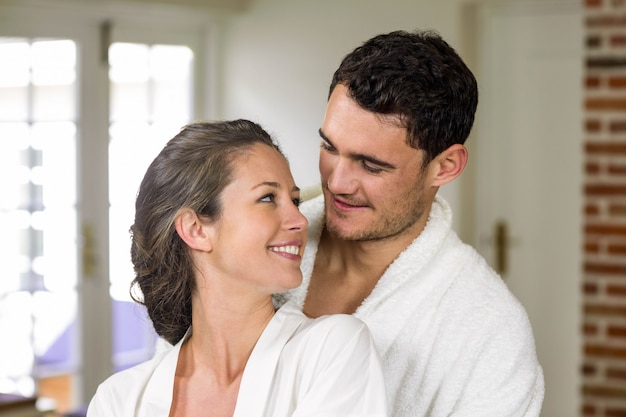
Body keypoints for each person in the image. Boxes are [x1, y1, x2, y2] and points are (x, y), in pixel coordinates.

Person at [273, 30, 545, 416]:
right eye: (330, 148)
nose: (336, 183)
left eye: (371, 165)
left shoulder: (490, 333)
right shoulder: (259, 245)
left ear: (445, 166)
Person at [86, 120, 388, 417]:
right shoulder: (119, 401)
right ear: (196, 229)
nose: (300, 220)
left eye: (295, 201)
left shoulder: (332, 351)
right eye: (268, 198)